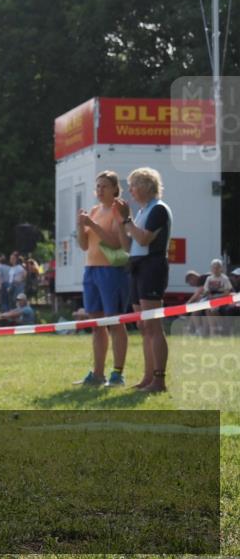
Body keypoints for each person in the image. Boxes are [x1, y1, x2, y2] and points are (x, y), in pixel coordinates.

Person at [116, 167, 172, 393]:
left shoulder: (158, 209)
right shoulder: (141, 212)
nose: (130, 190)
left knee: (153, 324)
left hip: (152, 267)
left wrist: (127, 220)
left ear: (148, 186)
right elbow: (128, 246)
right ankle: (148, 377)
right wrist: (121, 222)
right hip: (137, 266)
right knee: (142, 325)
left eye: (134, 185)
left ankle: (159, 379)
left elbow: (144, 239)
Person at [73, 170, 130, 387]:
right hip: (91, 269)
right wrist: (81, 226)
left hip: (111, 271)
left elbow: (116, 243)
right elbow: (84, 245)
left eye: (104, 186)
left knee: (114, 321)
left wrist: (92, 225)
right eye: (97, 186)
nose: (99, 190)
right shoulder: (96, 210)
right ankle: (98, 373)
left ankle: (118, 373)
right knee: (97, 324)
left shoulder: (118, 209)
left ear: (115, 188)